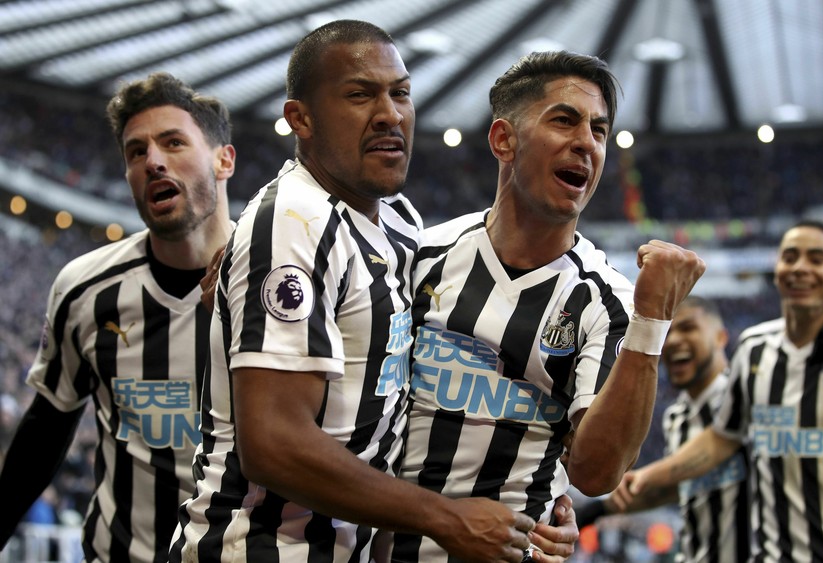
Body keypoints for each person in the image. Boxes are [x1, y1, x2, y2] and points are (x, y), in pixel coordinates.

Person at [170, 20, 575, 563]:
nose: (390, 114)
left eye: (400, 93)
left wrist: (540, 502)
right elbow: (273, 445)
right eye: (360, 95)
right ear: (301, 119)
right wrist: (446, 518)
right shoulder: (294, 222)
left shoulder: (401, 225)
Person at [386, 51, 706, 562]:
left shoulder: (608, 300)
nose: (587, 142)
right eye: (564, 120)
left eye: (599, 130)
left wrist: (652, 321)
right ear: (503, 140)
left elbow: (597, 474)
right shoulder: (419, 256)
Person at [0, 72, 236, 562]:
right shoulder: (86, 289)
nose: (152, 161)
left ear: (224, 159)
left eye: (173, 142)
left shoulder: (284, 281)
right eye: (136, 151)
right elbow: (47, 426)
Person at [623, 219, 823, 561]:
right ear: (777, 269)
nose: (800, 267)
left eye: (816, 259)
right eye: (790, 256)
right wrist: (647, 477)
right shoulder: (754, 349)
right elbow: (722, 438)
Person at [578, 296, 750, 562]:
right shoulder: (676, 417)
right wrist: (596, 510)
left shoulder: (744, 394)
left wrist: (648, 475)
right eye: (667, 332)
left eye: (688, 328)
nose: (673, 340)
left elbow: (718, 443)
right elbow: (678, 485)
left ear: (720, 338)